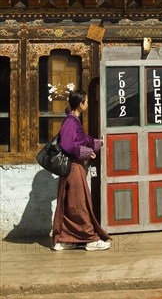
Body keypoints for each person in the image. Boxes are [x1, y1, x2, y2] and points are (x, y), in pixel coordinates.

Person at [52, 89, 111, 251]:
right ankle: (90, 239)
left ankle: (64, 239)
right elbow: (68, 145)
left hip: (75, 166)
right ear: (81, 104)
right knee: (79, 203)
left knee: (70, 203)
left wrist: (97, 144)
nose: (87, 104)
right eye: (86, 102)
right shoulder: (70, 122)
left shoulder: (74, 120)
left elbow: (83, 139)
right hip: (72, 167)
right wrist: (86, 152)